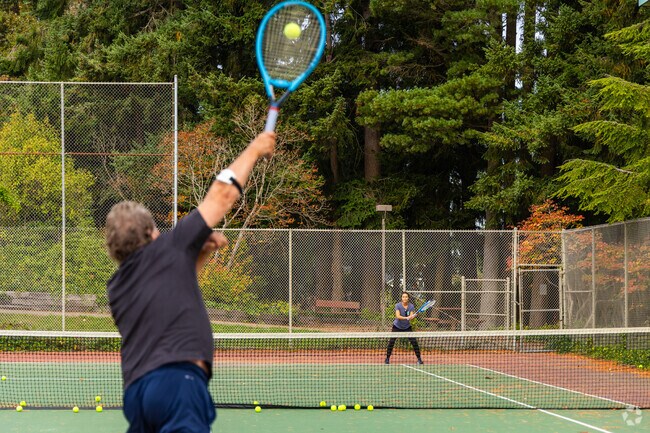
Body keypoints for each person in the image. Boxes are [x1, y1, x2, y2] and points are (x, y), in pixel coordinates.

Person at [105, 131, 276, 433]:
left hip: (138, 395)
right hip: (177, 385)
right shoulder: (169, 246)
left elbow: (171, 289)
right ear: (151, 234)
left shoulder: (117, 287)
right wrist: (254, 149)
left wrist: (199, 254)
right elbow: (222, 195)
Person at [385, 292, 423, 365]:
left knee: (414, 342)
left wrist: (412, 316)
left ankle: (419, 359)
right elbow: (398, 316)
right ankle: (387, 358)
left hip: (407, 327)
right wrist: (406, 318)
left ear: (408, 298)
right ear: (401, 298)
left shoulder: (411, 306)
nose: (405, 298)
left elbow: (411, 316)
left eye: (406, 297)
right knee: (391, 342)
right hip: (397, 326)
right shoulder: (398, 305)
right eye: (403, 297)